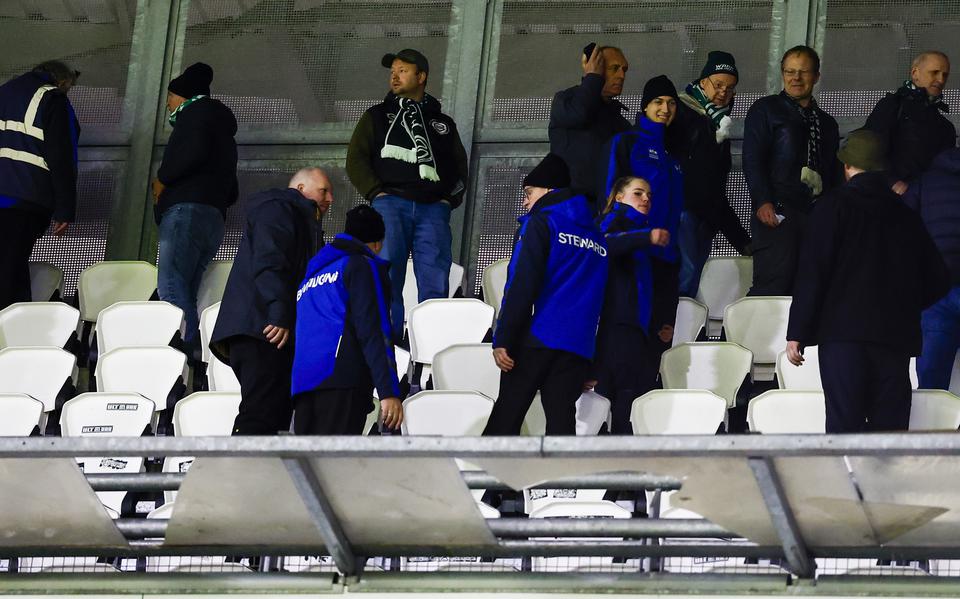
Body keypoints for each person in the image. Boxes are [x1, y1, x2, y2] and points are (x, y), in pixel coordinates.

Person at [785, 130, 949, 433]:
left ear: (847, 167)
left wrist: (798, 332)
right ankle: (884, 483)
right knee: (889, 433)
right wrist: (905, 305)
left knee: (844, 428)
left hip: (842, 336)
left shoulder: (831, 208)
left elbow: (813, 273)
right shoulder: (906, 215)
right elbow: (938, 278)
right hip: (894, 339)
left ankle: (848, 482)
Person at [346, 48, 469, 344]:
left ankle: (430, 353)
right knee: (386, 277)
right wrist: (377, 192)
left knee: (435, 281)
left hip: (433, 210)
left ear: (421, 76)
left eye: (402, 70)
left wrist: (447, 200)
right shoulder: (376, 115)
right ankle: (388, 352)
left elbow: (459, 168)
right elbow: (356, 159)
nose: (395, 75)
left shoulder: (443, 123)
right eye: (393, 71)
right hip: (391, 204)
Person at [483, 154, 607, 435]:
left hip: (537, 337)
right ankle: (560, 479)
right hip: (577, 346)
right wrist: (594, 362)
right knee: (561, 425)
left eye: (529, 193)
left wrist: (504, 338)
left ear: (550, 190)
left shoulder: (540, 223)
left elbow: (521, 284)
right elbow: (604, 302)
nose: (525, 202)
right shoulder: (598, 237)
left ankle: (487, 478)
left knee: (507, 417)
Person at [210, 168, 333, 435]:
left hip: (268, 330)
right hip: (263, 329)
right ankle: (242, 473)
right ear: (300, 188)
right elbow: (270, 262)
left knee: (274, 415)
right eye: (324, 190)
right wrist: (280, 314)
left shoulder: (299, 219)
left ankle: (262, 474)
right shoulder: (278, 209)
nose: (330, 198)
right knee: (260, 413)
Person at [291, 205, 403, 435]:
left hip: (303, 384)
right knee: (336, 467)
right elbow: (373, 329)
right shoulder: (361, 265)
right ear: (376, 244)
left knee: (309, 467)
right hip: (342, 380)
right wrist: (388, 390)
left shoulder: (310, 276)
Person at [155, 62, 238, 359]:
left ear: (184, 96)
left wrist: (163, 179)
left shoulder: (195, 117)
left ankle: (185, 352)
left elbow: (189, 155)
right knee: (188, 287)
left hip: (185, 211)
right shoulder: (224, 132)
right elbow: (233, 189)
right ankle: (192, 353)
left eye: (170, 97)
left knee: (170, 285)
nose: (168, 104)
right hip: (213, 218)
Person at [743, 46, 840, 296]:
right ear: (782, 74)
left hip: (814, 215)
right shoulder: (765, 109)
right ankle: (754, 335)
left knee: (809, 288)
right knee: (774, 283)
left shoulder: (827, 123)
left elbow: (832, 174)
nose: (796, 78)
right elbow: (753, 159)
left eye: (803, 72)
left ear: (816, 76)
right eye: (790, 71)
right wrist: (762, 200)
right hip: (777, 211)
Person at [605, 74, 684, 358]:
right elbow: (613, 193)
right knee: (628, 338)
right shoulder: (627, 141)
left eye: (671, 103)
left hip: (666, 254)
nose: (665, 108)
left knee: (657, 343)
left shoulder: (672, 155)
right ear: (645, 106)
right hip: (635, 249)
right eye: (658, 102)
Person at [0, 60, 79, 309]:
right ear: (63, 82)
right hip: (24, 198)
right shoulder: (52, 98)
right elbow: (63, 155)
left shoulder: (4, 92)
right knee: (11, 271)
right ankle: (13, 336)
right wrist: (65, 208)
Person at [672, 51, 751, 298]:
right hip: (682, 214)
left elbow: (715, 189)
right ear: (702, 81)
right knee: (683, 279)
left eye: (729, 88)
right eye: (718, 85)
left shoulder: (719, 125)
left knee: (692, 282)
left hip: (706, 220)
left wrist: (741, 240)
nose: (722, 92)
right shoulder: (679, 112)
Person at [595, 176, 670, 433]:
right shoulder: (612, 222)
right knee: (613, 398)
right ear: (618, 197)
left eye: (649, 195)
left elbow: (659, 282)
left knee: (633, 398)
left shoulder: (649, 232)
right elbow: (604, 244)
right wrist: (644, 237)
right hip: (614, 326)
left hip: (639, 329)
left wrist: (663, 320)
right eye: (638, 193)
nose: (646, 199)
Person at [903, 147, 960, 389]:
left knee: (932, 376)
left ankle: (936, 423)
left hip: (935, 289)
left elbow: (902, 228)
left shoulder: (924, 183)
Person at [548, 44, 631, 205]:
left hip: (606, 211)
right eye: (614, 68)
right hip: (570, 209)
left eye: (624, 69)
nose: (621, 75)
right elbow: (578, 115)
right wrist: (592, 78)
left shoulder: (620, 121)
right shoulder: (567, 100)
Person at [865, 51, 954, 194]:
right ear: (915, 73)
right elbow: (868, 151)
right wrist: (893, 183)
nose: (941, 79)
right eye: (935, 72)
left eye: (945, 75)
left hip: (925, 202)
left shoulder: (945, 126)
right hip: (887, 199)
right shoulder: (891, 106)